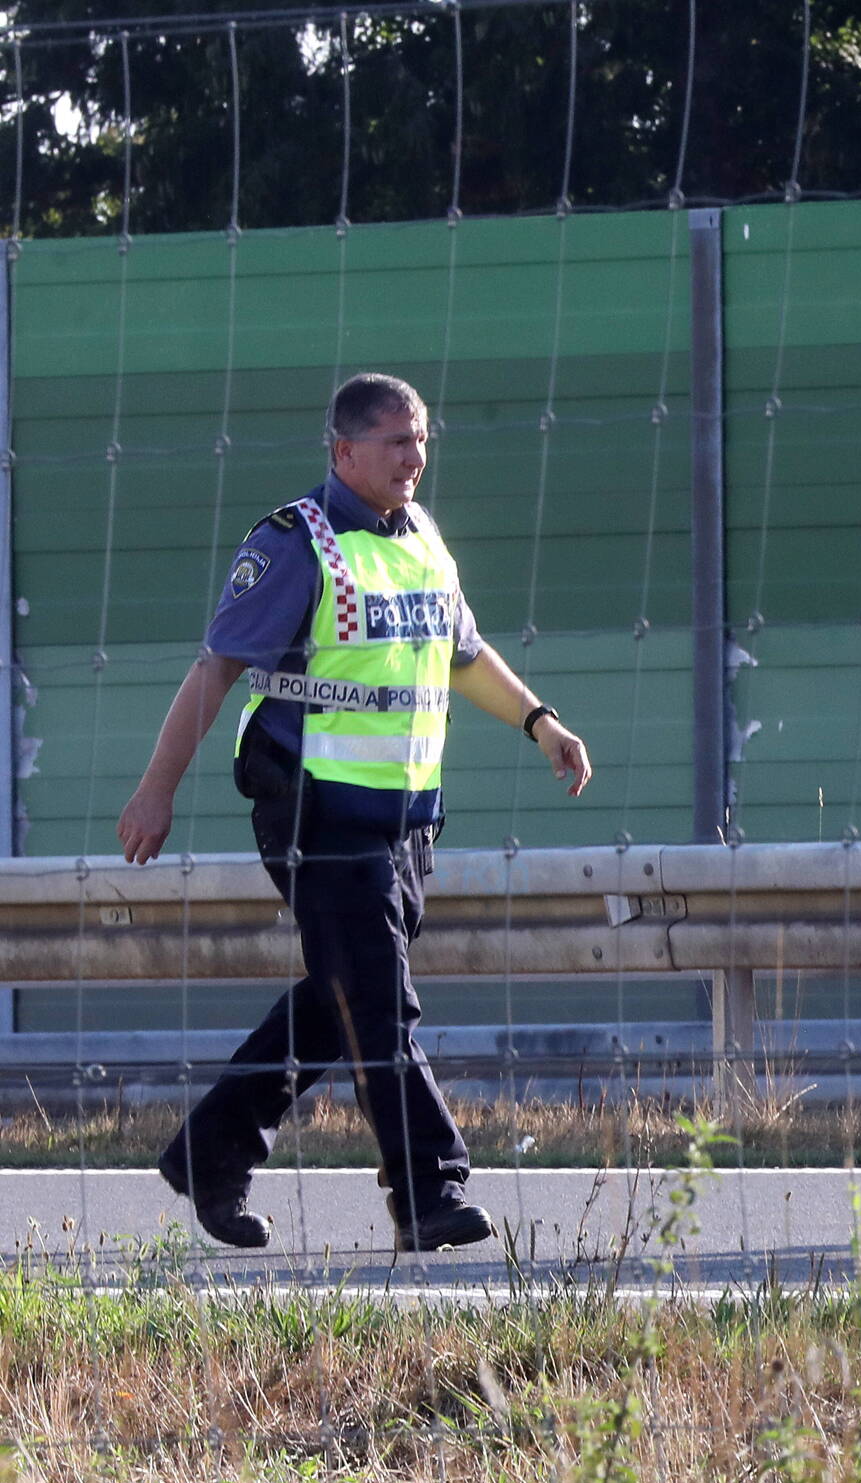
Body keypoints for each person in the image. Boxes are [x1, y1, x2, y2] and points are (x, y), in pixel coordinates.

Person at [117, 372, 593, 1254]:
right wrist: (157, 787)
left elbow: (465, 654)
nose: (415, 459)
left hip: (407, 818)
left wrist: (539, 721)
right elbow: (213, 671)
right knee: (379, 1003)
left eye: (421, 441)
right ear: (343, 451)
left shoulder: (422, 540)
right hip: (311, 805)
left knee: (343, 1000)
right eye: (395, 443)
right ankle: (429, 1191)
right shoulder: (296, 543)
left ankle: (209, 1153)